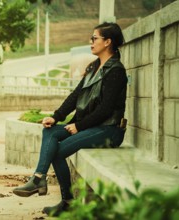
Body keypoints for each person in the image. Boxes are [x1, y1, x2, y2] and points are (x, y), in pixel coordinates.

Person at [12, 22, 128, 217]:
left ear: (108, 42)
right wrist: (56, 117)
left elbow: (106, 109)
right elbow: (75, 96)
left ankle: (66, 201)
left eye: (94, 38)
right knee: (49, 130)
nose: (90, 42)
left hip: (109, 129)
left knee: (57, 152)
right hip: (91, 126)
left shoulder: (115, 70)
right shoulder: (94, 67)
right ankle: (39, 178)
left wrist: (79, 126)